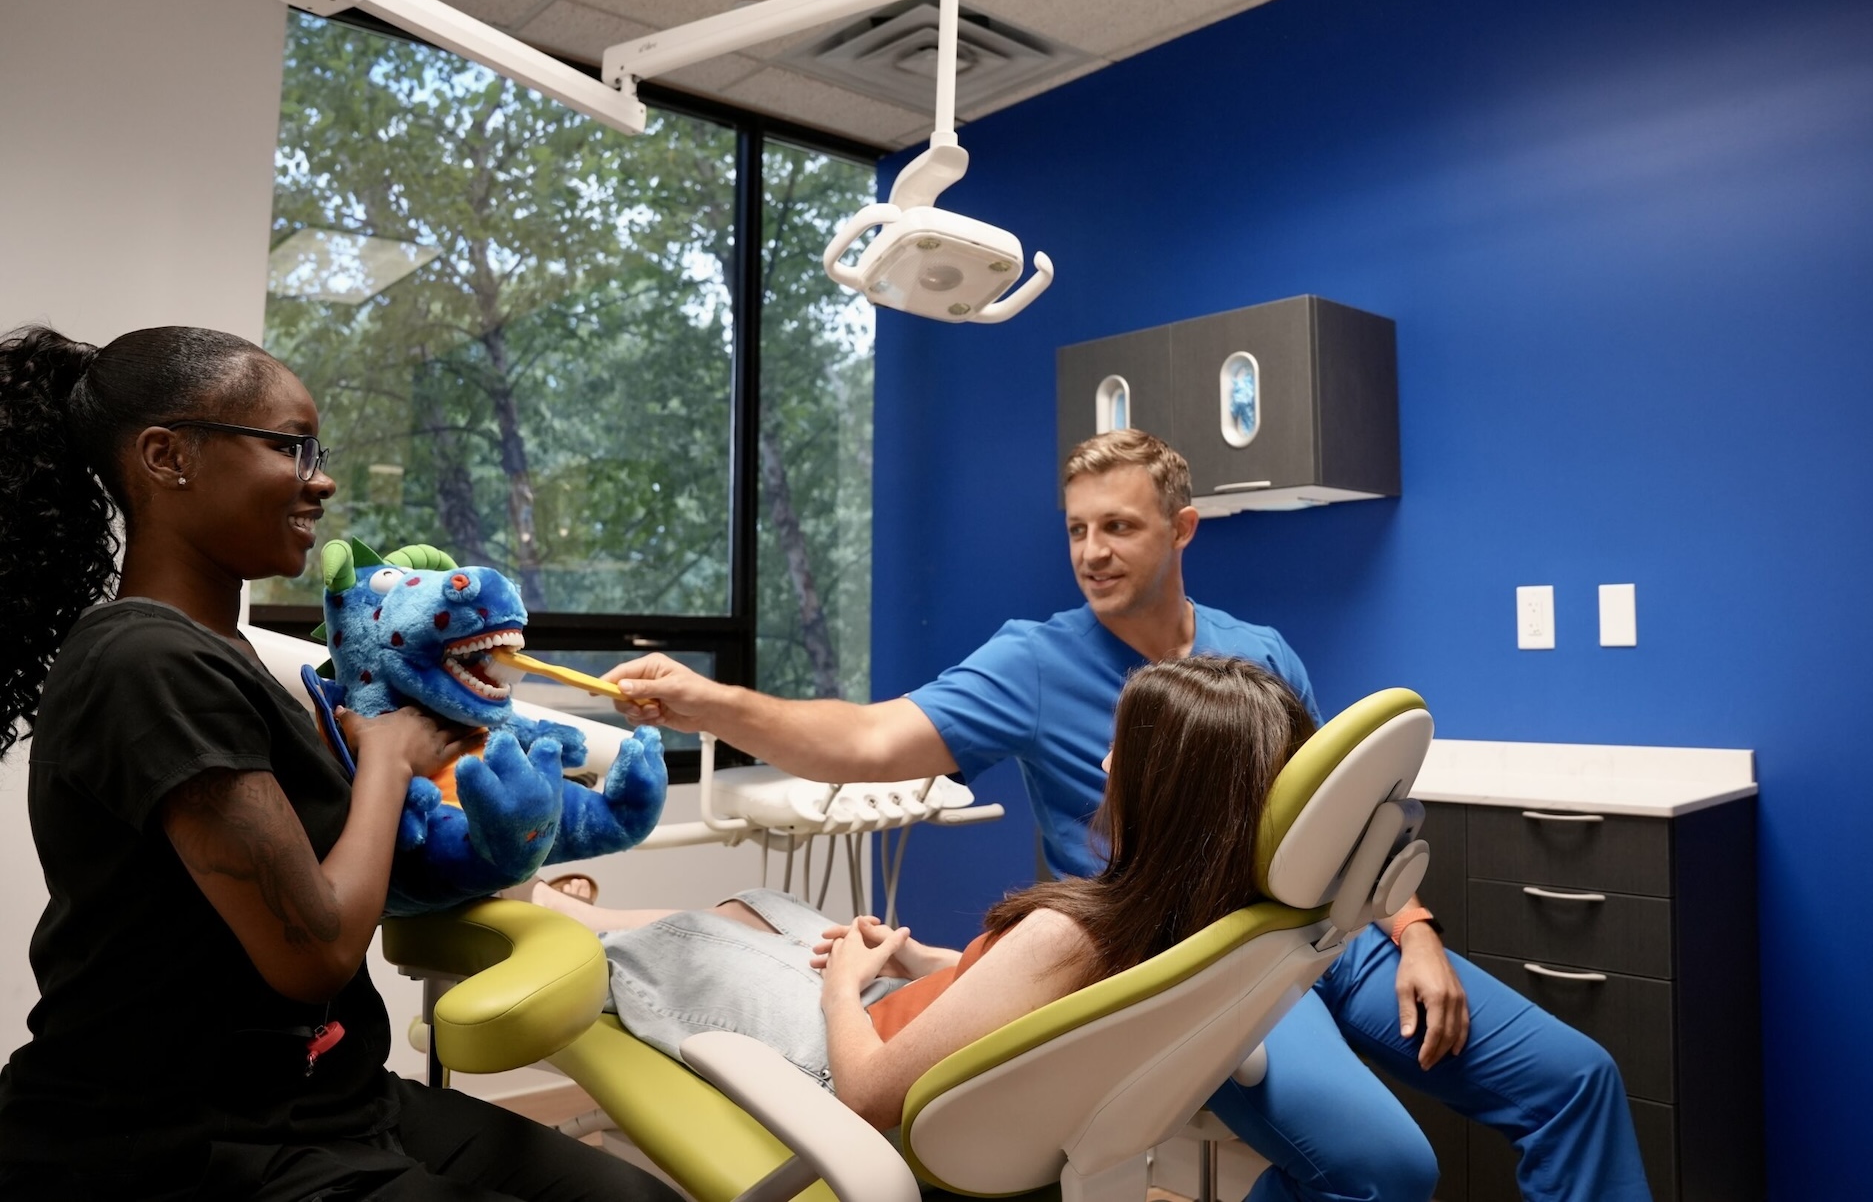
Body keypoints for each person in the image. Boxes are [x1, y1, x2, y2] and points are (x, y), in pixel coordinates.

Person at [602, 429, 1652, 1202]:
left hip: (1331, 938)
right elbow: (872, 741)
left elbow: (1347, 817)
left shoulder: (1259, 654)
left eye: (1119, 526)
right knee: (1382, 1168)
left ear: (1181, 529)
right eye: (1076, 530)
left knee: (1578, 1079)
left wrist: (1412, 932)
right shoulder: (1034, 660)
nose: (1092, 550)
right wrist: (711, 702)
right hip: (1205, 964)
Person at [0, 325, 674, 1202]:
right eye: (291, 447)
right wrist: (390, 762)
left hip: (330, 1099)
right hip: (180, 1136)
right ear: (168, 456)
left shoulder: (223, 654)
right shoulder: (144, 663)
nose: (320, 478)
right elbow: (310, 950)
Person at [532, 655, 1311, 1130]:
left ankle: (552, 912)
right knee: (754, 903)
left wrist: (846, 987)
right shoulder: (1189, 923)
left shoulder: (1065, 938)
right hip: (908, 1013)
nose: (1106, 764)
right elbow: (1045, 1008)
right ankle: (596, 912)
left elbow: (869, 1094)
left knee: (672, 945)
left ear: (1166, 789)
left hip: (847, 1056)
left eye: (1124, 750)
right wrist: (922, 961)